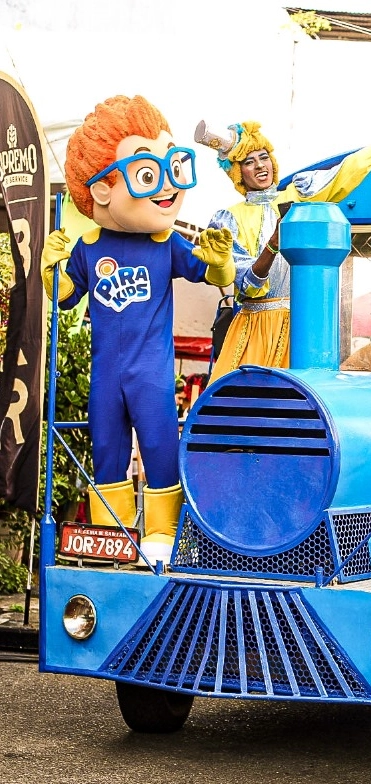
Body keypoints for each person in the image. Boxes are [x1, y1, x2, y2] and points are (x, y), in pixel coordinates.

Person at [40, 94, 236, 563]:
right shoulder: (87, 246)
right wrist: (52, 270)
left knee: (159, 447)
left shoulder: (166, 242)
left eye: (173, 167)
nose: (168, 186)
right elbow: (66, 297)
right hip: (106, 374)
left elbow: (212, 276)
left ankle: (163, 538)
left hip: (150, 375)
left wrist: (222, 261)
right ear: (104, 190)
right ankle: (113, 539)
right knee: (107, 449)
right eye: (149, 173)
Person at [200, 113, 371, 383]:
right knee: (246, 403)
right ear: (238, 172)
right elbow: (246, 287)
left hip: (303, 328)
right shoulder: (228, 219)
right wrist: (273, 245)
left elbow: (349, 169)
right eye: (249, 162)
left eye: (264, 157)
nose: (260, 166)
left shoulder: (299, 195)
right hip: (255, 330)